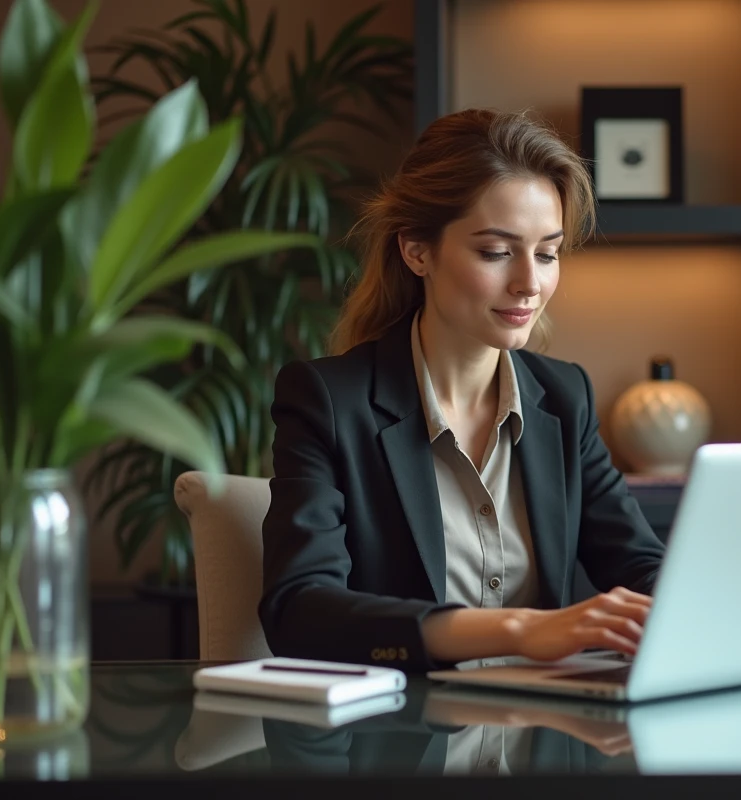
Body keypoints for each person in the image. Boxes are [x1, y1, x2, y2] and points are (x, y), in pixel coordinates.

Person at [258, 107, 667, 674]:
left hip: (547, 742)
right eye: (496, 252)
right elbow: (299, 611)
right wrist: (523, 629)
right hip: (399, 744)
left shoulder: (565, 397)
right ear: (417, 251)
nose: (530, 282)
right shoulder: (329, 402)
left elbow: (641, 564)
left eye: (547, 254)